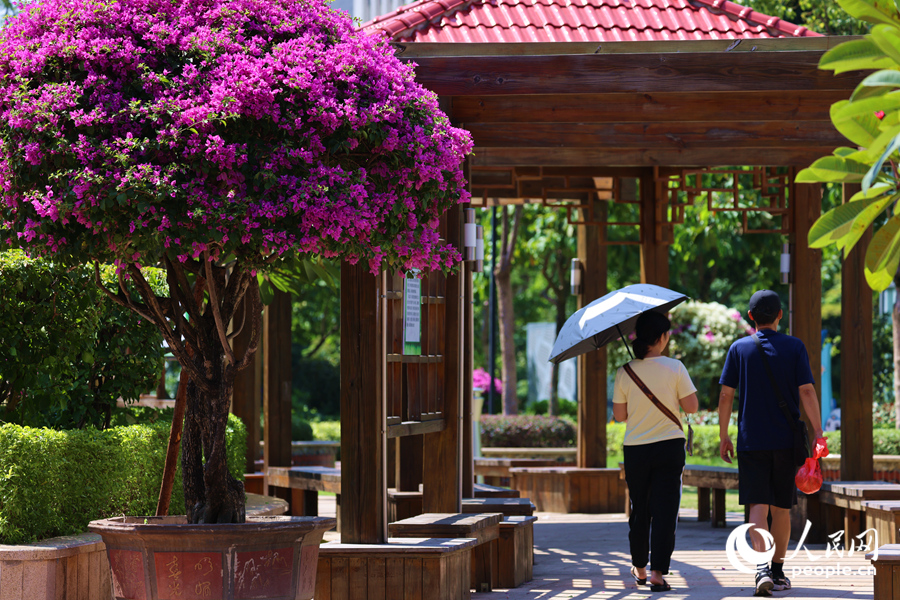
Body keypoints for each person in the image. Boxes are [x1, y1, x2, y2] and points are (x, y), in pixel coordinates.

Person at [718, 290, 823, 597]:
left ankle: (761, 567)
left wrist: (724, 435)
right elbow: (806, 392)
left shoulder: (738, 349)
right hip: (786, 441)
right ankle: (777, 571)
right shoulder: (794, 347)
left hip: (752, 441)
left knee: (757, 506)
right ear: (780, 315)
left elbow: (726, 395)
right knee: (782, 507)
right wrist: (818, 431)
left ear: (751, 317)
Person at [613, 310, 699, 592]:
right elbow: (691, 407)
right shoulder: (675, 367)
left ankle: (639, 568)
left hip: (636, 449)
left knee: (640, 509)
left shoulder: (624, 371)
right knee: (665, 511)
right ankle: (658, 574)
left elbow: (620, 415)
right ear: (661, 337)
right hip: (669, 447)